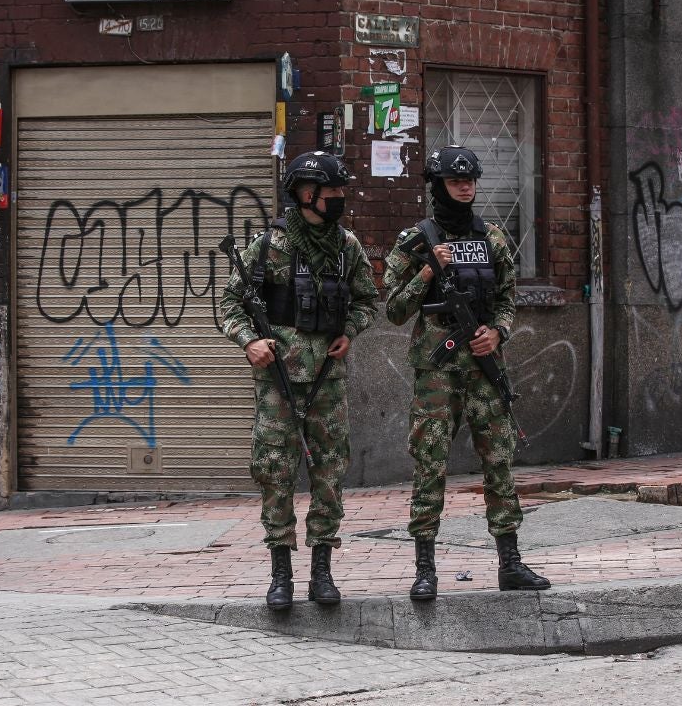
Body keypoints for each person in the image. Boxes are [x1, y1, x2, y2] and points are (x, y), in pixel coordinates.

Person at [382, 145, 549, 601]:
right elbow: (394, 309)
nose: (465, 186)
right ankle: (425, 568)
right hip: (437, 371)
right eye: (456, 181)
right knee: (429, 464)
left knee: (500, 461)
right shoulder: (413, 241)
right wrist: (426, 272)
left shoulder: (491, 238)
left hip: (483, 367)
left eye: (471, 179)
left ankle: (510, 563)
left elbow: (508, 298)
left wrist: (498, 333)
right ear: (437, 186)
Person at [220, 151, 377, 610]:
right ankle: (281, 574)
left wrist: (350, 331)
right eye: (332, 194)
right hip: (279, 379)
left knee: (330, 471)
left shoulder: (347, 246)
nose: (338, 201)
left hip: (328, 378)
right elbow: (230, 302)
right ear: (306, 194)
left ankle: (322, 572)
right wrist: (250, 341)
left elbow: (368, 300)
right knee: (276, 471)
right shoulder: (269, 245)